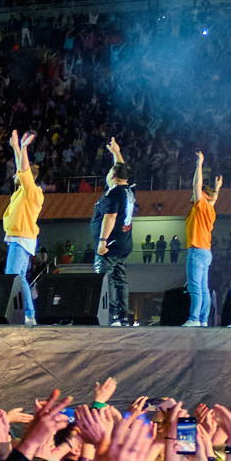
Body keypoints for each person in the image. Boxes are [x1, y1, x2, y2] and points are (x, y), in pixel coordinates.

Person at [92, 137, 137, 328]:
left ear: (112, 175)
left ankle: (109, 316)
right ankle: (122, 316)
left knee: (105, 278)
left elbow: (109, 217)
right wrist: (116, 153)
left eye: (110, 170)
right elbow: (121, 169)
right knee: (120, 279)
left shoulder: (113, 193)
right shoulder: (127, 190)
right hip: (123, 243)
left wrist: (102, 241)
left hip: (111, 244)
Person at [1, 129, 44, 326]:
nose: (15, 175)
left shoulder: (32, 191)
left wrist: (24, 148)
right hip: (18, 238)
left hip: (21, 238)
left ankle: (26, 314)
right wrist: (16, 147)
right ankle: (28, 314)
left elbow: (24, 171)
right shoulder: (21, 192)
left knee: (13, 275)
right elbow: (22, 169)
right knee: (20, 278)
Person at [185, 151, 224, 328]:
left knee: (195, 288)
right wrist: (217, 189)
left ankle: (194, 319)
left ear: (202, 195)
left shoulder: (201, 206)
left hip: (196, 250)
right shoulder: (210, 209)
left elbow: (196, 184)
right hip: (206, 252)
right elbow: (213, 199)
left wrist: (199, 164)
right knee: (203, 288)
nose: (191, 196)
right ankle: (202, 320)